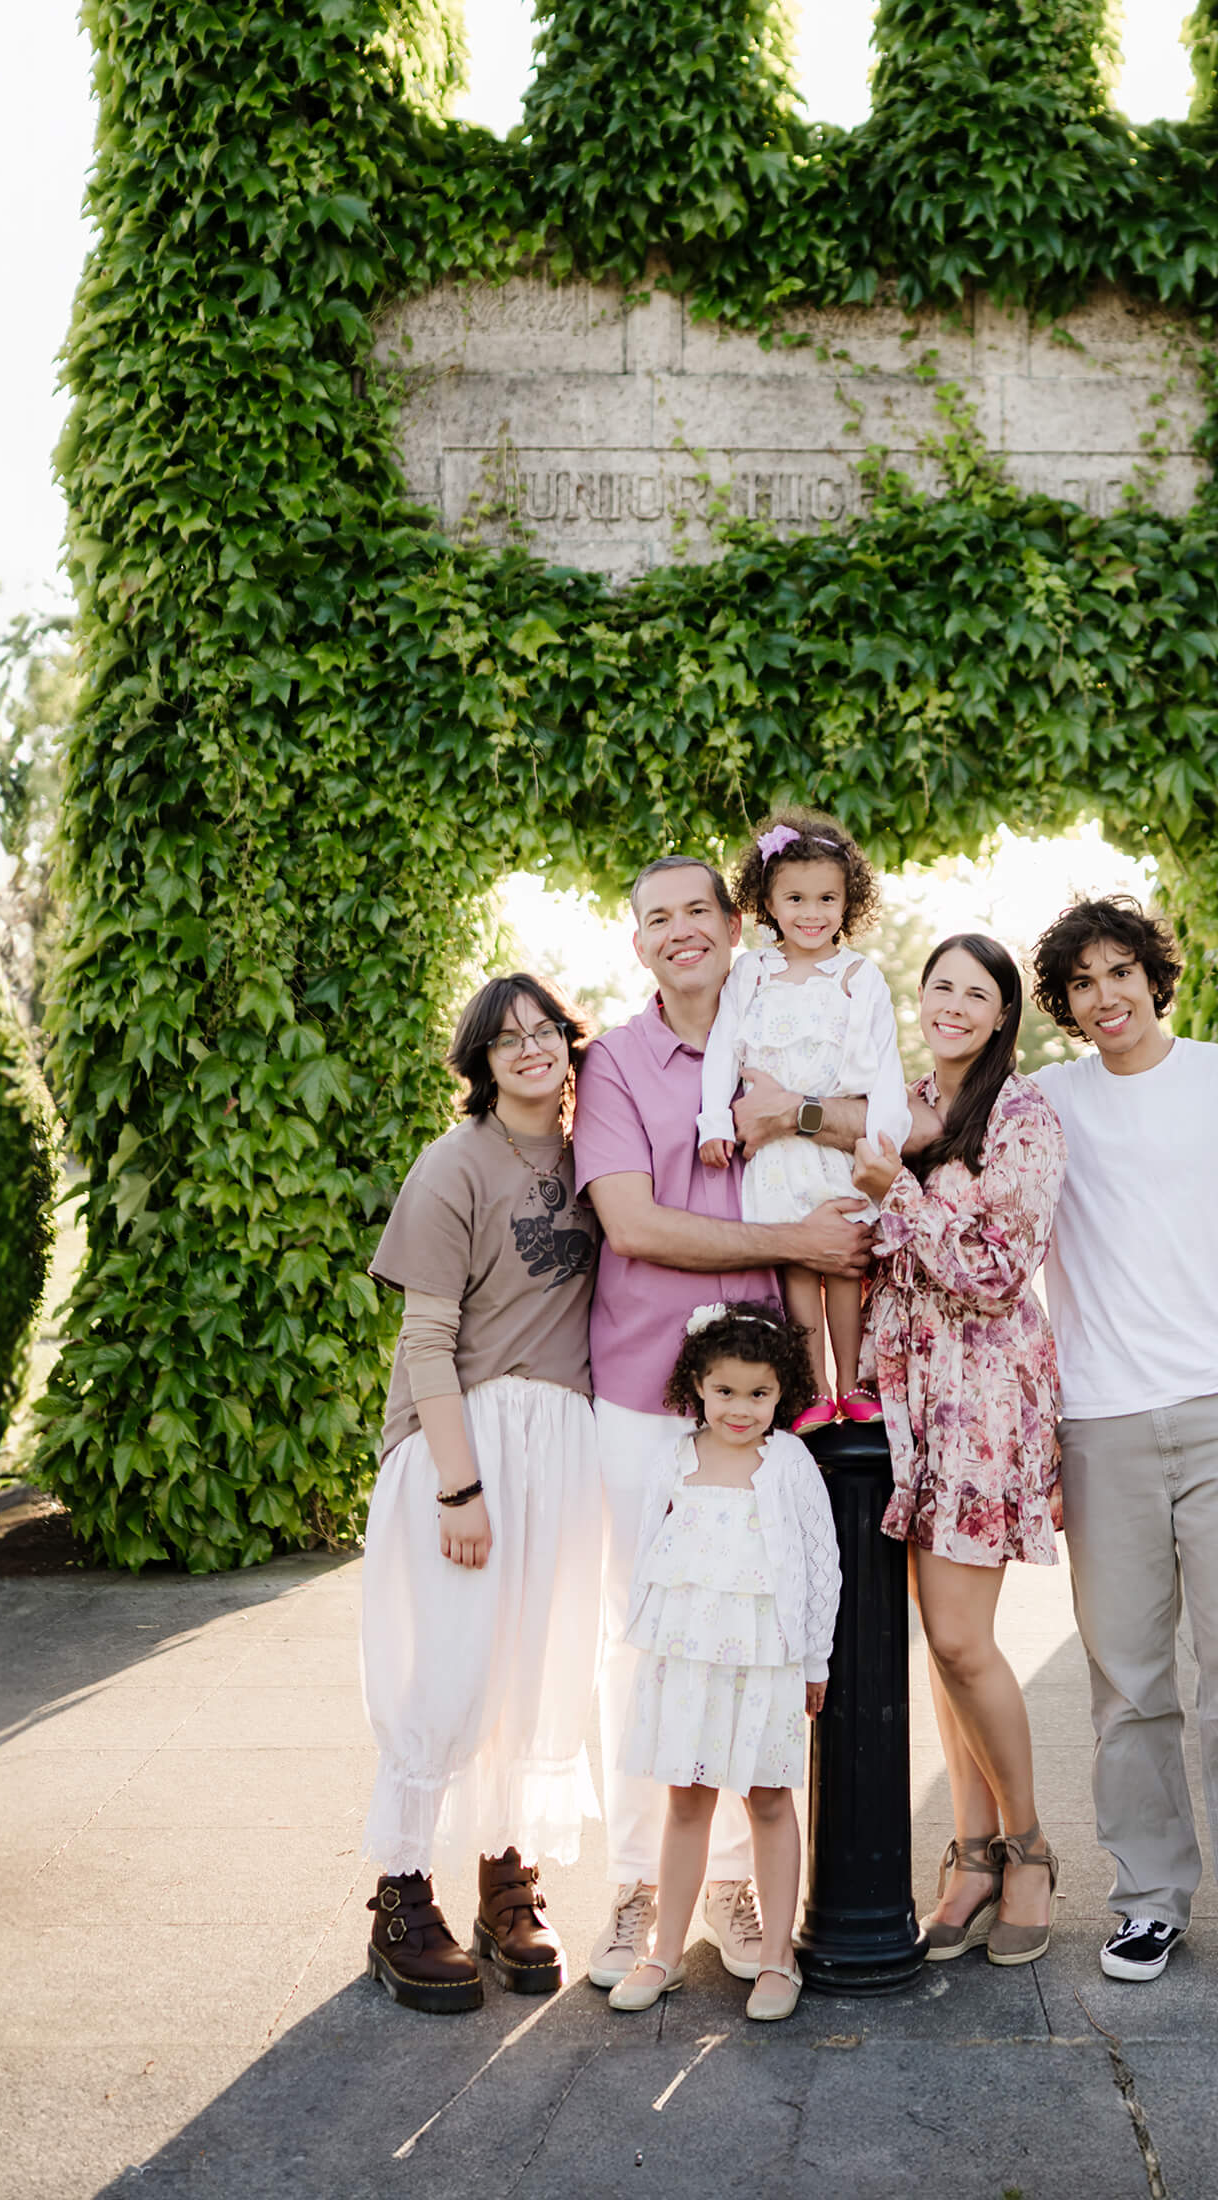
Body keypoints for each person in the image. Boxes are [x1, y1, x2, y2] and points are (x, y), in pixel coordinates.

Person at [572, 854, 873, 1991]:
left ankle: (741, 1884)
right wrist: (792, 1243)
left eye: (699, 908)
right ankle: (638, 1884)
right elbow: (634, 1222)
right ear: (639, 942)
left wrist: (805, 1116)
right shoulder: (614, 1063)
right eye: (659, 917)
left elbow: (862, 1119)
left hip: (755, 1400)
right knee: (643, 1640)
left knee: (751, 1632)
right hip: (644, 1391)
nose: (681, 930)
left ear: (734, 922)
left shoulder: (780, 1021)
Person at [1030, 895, 1218, 2002]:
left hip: (1217, 1416)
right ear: (1063, 1004)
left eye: (1121, 972)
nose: (1105, 997)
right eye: (1082, 984)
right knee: (1128, 1683)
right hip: (1099, 1424)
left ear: (1156, 973)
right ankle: (1148, 1899)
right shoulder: (1046, 1101)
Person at [359, 971, 603, 2013]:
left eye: (544, 1030)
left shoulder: (599, 1158)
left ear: (566, 1042)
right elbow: (426, 1337)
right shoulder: (452, 1163)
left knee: (534, 1669)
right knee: (451, 1671)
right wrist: (459, 1485)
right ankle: (402, 1893)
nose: (530, 1049)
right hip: (468, 1439)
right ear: (478, 1063)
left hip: (564, 1440)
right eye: (506, 1040)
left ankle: (508, 1880)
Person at [851, 933, 1067, 1967]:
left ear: (1001, 1013)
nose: (951, 1002)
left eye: (974, 992)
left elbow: (989, 1267)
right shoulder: (899, 1099)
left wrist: (899, 1186)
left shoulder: (1022, 1116)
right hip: (905, 1389)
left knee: (958, 1634)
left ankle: (1027, 1847)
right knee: (940, 1646)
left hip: (982, 1392)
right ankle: (972, 1855)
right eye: (938, 984)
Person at [607, 1299, 840, 2024]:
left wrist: (814, 1659)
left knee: (768, 1798)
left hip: (765, 1657)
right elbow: (650, 1554)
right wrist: (647, 1646)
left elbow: (818, 1562)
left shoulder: (789, 1463)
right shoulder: (675, 1458)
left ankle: (776, 1956)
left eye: (759, 1393)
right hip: (690, 1656)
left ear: (782, 1392)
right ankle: (664, 1952)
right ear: (698, 1386)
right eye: (725, 1392)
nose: (740, 1409)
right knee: (685, 1798)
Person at [697, 808, 910, 1430]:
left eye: (826, 898)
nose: (811, 912)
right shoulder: (751, 973)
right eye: (795, 898)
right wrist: (714, 1120)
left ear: (849, 902)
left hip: (837, 1150)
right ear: (767, 901)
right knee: (796, 1261)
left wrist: (883, 1140)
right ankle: (814, 1388)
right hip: (775, 1155)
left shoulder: (858, 977)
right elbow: (723, 1050)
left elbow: (888, 1068)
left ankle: (855, 1381)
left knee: (844, 1261)